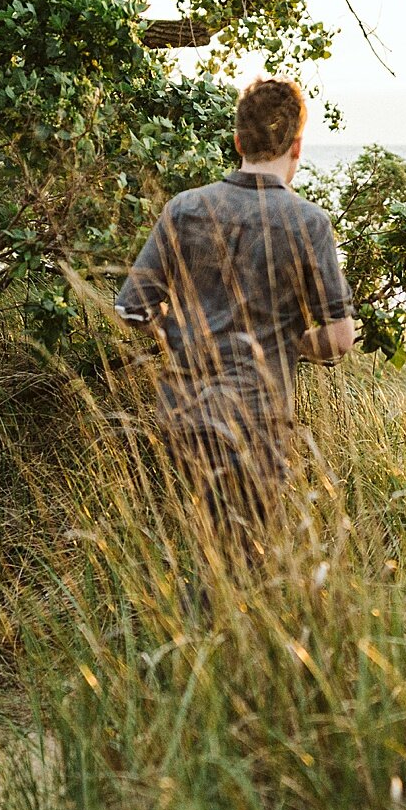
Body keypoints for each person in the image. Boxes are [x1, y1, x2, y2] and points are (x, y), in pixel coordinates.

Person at [114, 76, 355, 545]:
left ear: (238, 141)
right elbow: (340, 338)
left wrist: (179, 334)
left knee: (203, 546)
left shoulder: (185, 209)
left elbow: (130, 309)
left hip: (183, 413)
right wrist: (292, 344)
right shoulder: (308, 221)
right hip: (258, 418)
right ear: (297, 146)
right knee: (248, 559)